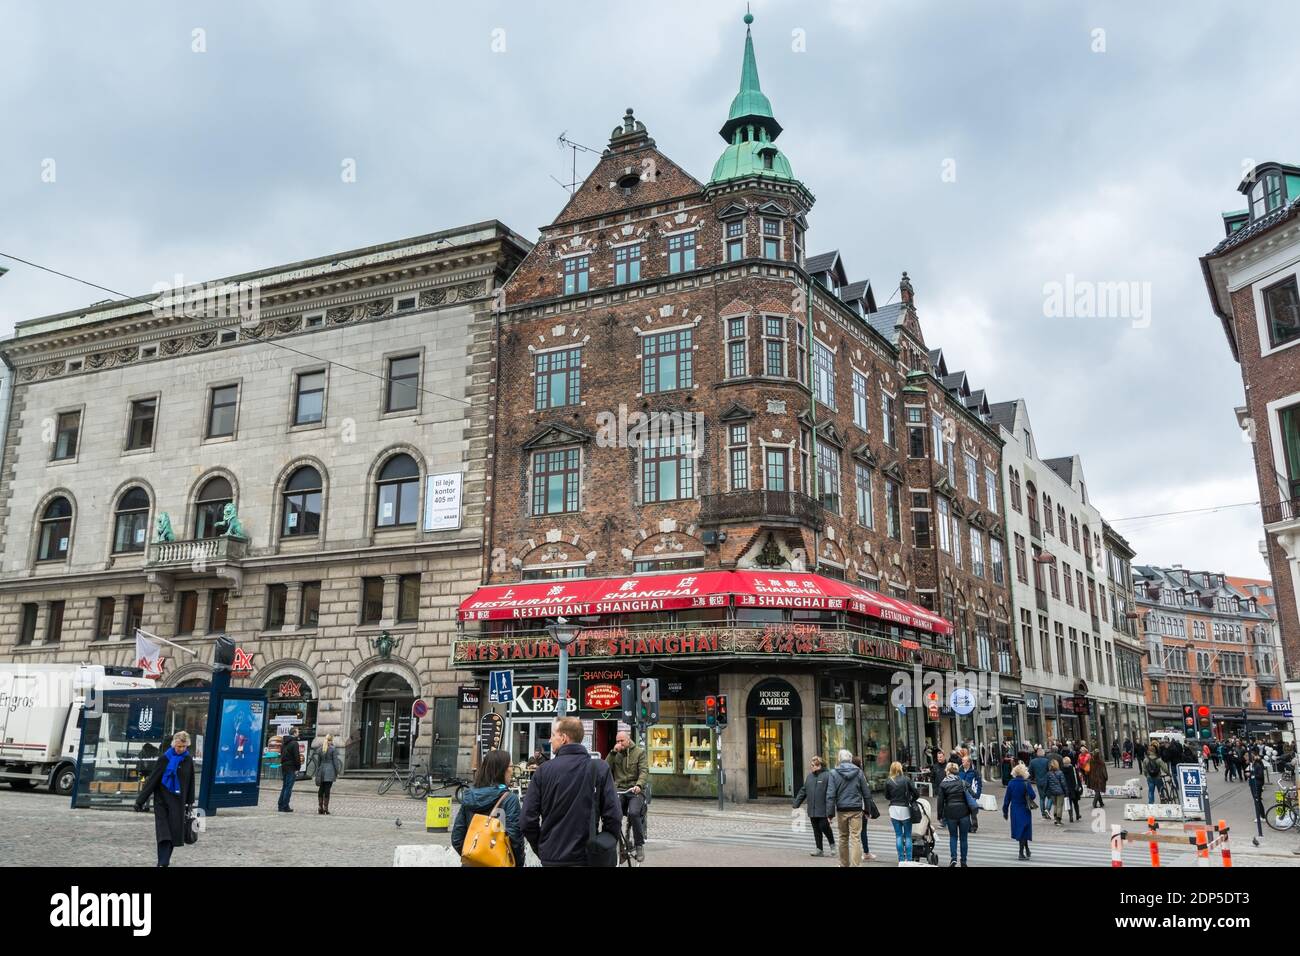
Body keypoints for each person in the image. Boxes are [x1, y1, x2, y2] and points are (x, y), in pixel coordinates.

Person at [521, 716, 621, 867]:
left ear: (563, 738)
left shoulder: (543, 771)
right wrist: (602, 844)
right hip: (587, 856)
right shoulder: (599, 768)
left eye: (553, 735)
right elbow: (614, 816)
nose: (549, 740)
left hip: (551, 857)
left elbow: (527, 820)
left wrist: (541, 848)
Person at [451, 748, 524, 866]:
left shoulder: (469, 796)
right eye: (511, 767)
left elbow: (457, 838)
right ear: (502, 770)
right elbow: (514, 838)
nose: (512, 771)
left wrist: (475, 856)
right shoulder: (509, 799)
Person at [134, 730, 196, 868]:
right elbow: (152, 781)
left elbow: (191, 781)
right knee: (164, 834)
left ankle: (163, 862)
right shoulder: (164, 759)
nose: (181, 749)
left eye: (184, 747)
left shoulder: (188, 760)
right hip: (162, 802)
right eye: (179, 746)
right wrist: (140, 801)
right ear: (174, 744)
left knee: (173, 834)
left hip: (178, 803)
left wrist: (190, 803)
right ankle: (163, 862)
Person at [826, 749, 876, 868]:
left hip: (842, 809)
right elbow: (866, 793)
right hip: (856, 809)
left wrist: (830, 813)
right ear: (850, 759)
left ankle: (844, 864)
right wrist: (867, 810)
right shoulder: (859, 772)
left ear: (839, 759)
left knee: (843, 837)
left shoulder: (833, 773)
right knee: (855, 838)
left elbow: (830, 794)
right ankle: (856, 865)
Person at [606, 729, 649, 862]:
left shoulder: (639, 753)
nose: (619, 743)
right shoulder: (615, 754)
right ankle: (617, 844)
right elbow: (605, 768)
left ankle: (639, 844)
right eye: (617, 741)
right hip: (619, 790)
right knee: (612, 814)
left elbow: (644, 771)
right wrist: (613, 752)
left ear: (628, 739)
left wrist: (639, 785)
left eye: (622, 741)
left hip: (635, 790)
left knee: (634, 813)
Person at [794, 756, 835, 857]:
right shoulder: (809, 777)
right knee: (816, 829)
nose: (811, 767)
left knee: (824, 826)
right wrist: (796, 803)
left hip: (823, 808)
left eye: (813, 765)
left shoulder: (828, 775)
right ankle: (819, 849)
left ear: (819, 766)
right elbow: (803, 790)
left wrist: (830, 811)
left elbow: (831, 793)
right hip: (812, 808)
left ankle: (832, 844)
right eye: (811, 765)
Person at [936, 762, 973, 867]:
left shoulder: (943, 784)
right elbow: (973, 794)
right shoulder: (963, 782)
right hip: (964, 813)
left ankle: (953, 859)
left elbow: (940, 802)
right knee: (964, 838)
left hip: (950, 813)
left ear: (947, 771)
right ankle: (964, 861)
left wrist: (939, 815)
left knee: (953, 837)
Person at [884, 761, 918, 864]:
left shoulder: (888, 781)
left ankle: (901, 859)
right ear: (900, 769)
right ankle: (909, 859)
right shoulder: (906, 779)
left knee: (898, 835)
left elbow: (887, 796)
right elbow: (916, 793)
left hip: (894, 809)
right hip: (905, 808)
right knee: (907, 835)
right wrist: (911, 799)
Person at [1003, 762, 1036, 861]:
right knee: (1024, 830)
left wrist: (1005, 811)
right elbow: (1033, 796)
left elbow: (1007, 799)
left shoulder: (1011, 783)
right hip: (1025, 808)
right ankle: (1021, 853)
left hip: (1015, 809)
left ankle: (1026, 849)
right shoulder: (1026, 783)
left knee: (1021, 830)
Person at [851, 756, 877, 861]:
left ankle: (856, 853)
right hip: (860, 807)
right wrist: (867, 810)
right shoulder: (861, 775)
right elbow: (866, 794)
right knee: (862, 831)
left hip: (848, 807)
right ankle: (865, 853)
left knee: (852, 832)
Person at [309, 733, 342, 815]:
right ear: (331, 740)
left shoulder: (320, 749)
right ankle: (325, 808)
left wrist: (319, 771)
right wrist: (337, 772)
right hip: (330, 771)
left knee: (321, 789)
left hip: (322, 770)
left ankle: (320, 807)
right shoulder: (333, 749)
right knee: (327, 790)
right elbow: (335, 762)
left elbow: (319, 762)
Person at [277, 726, 301, 812]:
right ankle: (285, 806)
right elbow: (297, 757)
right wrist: (298, 768)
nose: (299, 733)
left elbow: (281, 754)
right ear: (294, 733)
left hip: (284, 766)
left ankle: (280, 805)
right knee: (288, 787)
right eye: (298, 732)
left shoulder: (284, 743)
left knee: (284, 786)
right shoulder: (294, 743)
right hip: (291, 767)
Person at [959, 755, 982, 833]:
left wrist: (977, 794)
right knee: (965, 811)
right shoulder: (960, 770)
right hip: (962, 793)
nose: (962, 762)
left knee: (973, 811)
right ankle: (968, 826)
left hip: (972, 794)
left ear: (968, 762)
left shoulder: (974, 771)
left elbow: (979, 783)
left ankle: (974, 826)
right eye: (962, 761)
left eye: (964, 761)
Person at [1028, 747, 1050, 820]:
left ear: (1037, 754)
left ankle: (1043, 814)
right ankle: (1047, 809)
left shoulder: (1033, 761)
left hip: (1038, 781)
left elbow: (1030, 772)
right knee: (1050, 797)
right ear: (1043, 754)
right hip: (1046, 781)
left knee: (1041, 798)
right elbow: (1049, 770)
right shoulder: (1047, 761)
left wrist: (1031, 779)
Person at [1247, 752, 1268, 827]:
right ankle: (1261, 816)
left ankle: (1261, 816)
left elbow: (1260, 775)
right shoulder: (1253, 765)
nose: (1245, 760)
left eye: (1246, 758)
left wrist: (1252, 775)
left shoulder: (1257, 765)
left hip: (1257, 785)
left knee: (1257, 800)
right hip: (1254, 784)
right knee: (1257, 800)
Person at [1044, 759, 1067, 825]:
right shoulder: (1060, 773)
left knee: (1055, 805)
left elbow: (1046, 783)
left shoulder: (1048, 773)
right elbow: (1063, 783)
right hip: (1060, 792)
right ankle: (1058, 820)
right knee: (1059, 805)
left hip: (1052, 792)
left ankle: (1055, 818)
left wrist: (1045, 791)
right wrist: (1066, 791)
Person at [1086, 743, 1109, 808]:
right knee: (1098, 790)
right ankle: (1094, 803)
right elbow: (1104, 771)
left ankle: (1101, 803)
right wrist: (1106, 777)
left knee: (1097, 790)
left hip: (1092, 778)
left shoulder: (1091, 761)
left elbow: (1088, 769)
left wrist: (1088, 776)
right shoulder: (1101, 762)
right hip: (1099, 778)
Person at [1060, 756, 1081, 823]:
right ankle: (1077, 815)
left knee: (1069, 803)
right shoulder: (1073, 769)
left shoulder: (1061, 770)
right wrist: (1079, 786)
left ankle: (1071, 817)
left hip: (1066, 789)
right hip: (1074, 788)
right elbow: (1077, 778)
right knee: (1075, 803)